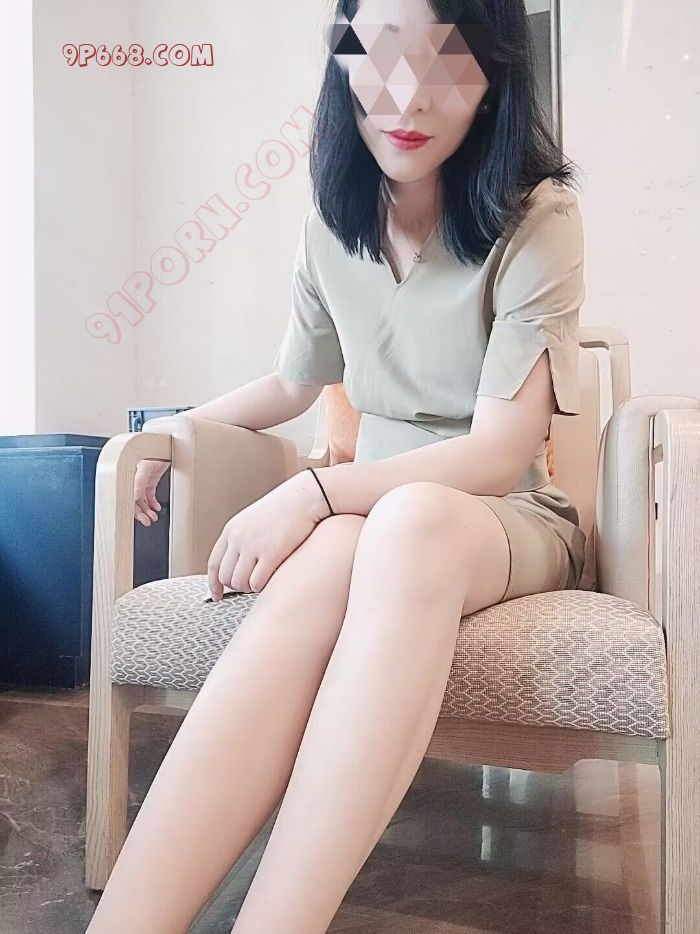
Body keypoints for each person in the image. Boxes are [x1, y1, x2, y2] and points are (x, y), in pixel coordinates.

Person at [89, 1, 587, 931]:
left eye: (448, 58)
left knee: (404, 525)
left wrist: (315, 491)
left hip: (496, 519)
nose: (409, 92)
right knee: (330, 560)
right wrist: (175, 430)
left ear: (493, 76)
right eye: (382, 52)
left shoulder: (538, 216)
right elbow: (293, 382)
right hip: (364, 522)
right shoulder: (333, 218)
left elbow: (498, 453)